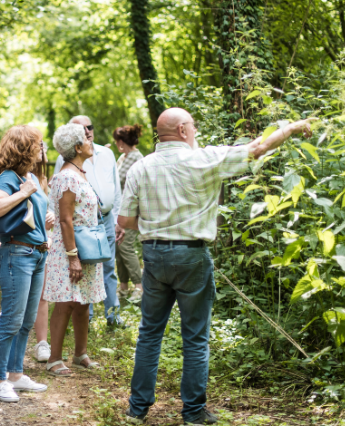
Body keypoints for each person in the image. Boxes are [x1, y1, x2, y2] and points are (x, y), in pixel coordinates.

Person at [119, 108, 315, 425]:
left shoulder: (141, 167)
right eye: (193, 127)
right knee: (195, 338)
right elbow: (257, 148)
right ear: (183, 130)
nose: (195, 132)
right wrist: (290, 128)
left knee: (149, 335)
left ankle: (137, 409)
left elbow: (125, 221)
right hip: (192, 256)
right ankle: (194, 412)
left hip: (153, 255)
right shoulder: (205, 159)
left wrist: (159, 223)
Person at [0, 125, 54, 403]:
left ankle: (15, 374)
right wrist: (24, 193)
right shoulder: (9, 178)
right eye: (37, 145)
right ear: (25, 148)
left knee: (26, 320)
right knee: (11, 320)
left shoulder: (28, 176)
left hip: (36, 254)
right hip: (17, 255)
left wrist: (43, 217)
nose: (41, 149)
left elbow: (26, 212)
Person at [43, 123, 105, 377]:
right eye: (86, 140)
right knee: (66, 301)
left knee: (83, 301)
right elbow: (66, 219)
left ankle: (80, 354)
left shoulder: (80, 173)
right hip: (70, 248)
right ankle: (54, 358)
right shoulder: (67, 177)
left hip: (85, 245)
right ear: (77, 147)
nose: (91, 141)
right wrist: (72, 257)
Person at [52, 115, 124, 327]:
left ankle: (113, 315)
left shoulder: (107, 153)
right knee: (82, 273)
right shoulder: (65, 165)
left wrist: (119, 217)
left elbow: (116, 188)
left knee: (108, 267)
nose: (87, 132)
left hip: (106, 220)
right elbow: (62, 205)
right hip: (80, 226)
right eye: (81, 130)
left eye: (89, 127)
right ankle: (87, 316)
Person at [113, 124, 144, 296]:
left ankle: (139, 286)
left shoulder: (137, 158)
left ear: (122, 141)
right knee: (119, 246)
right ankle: (124, 286)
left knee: (125, 246)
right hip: (119, 211)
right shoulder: (123, 158)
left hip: (132, 211)